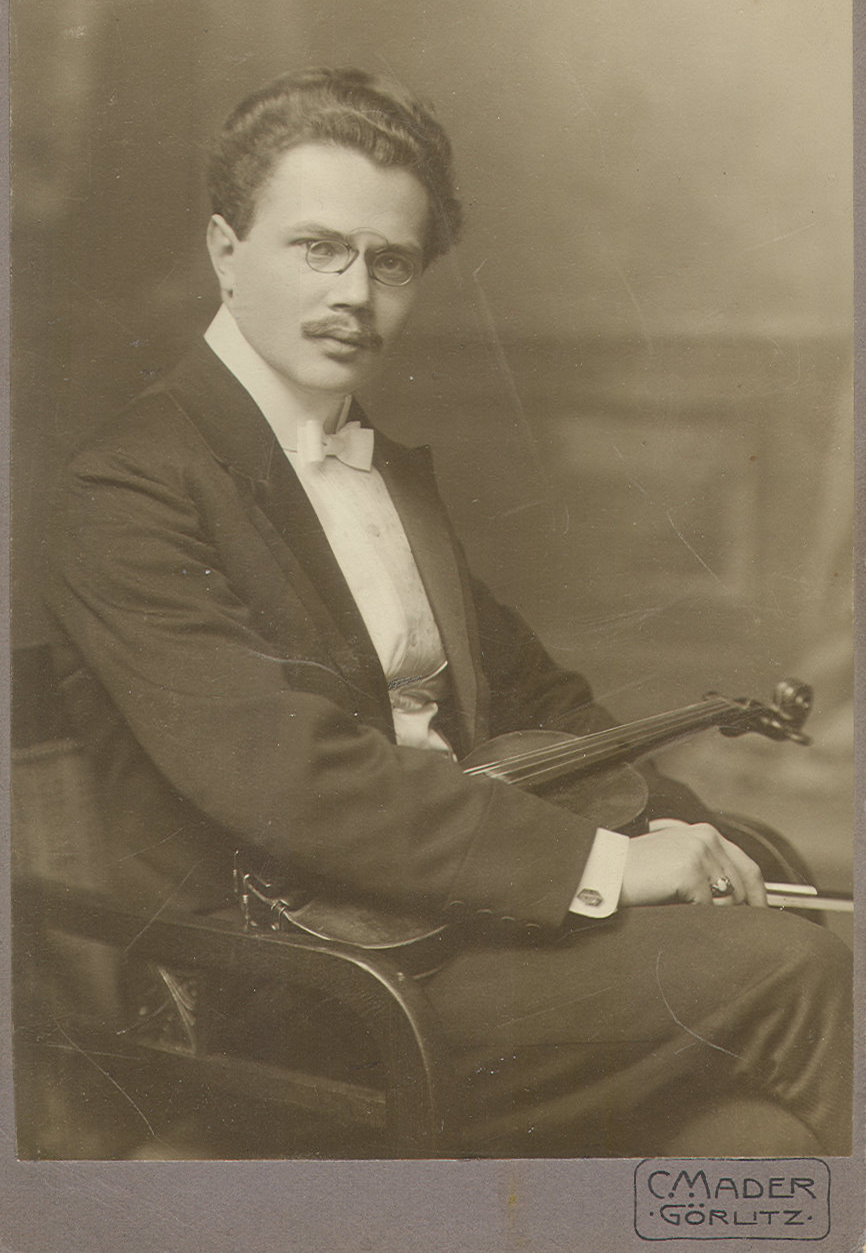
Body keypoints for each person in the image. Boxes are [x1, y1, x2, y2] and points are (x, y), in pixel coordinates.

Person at [45, 67, 852, 1158]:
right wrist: (601, 866)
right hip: (294, 980)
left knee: (756, 1138)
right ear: (226, 251)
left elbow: (535, 694)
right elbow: (293, 782)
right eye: (318, 248)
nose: (355, 293)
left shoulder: (383, 469)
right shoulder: (129, 487)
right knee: (793, 974)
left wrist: (663, 822)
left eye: (391, 261)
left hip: (447, 928)